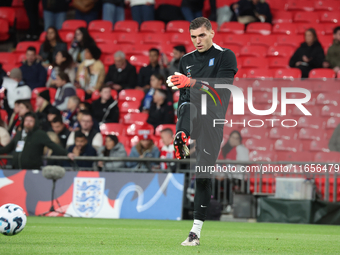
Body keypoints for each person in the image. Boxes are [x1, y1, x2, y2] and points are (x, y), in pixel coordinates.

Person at [166, 17, 237, 245]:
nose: (197, 41)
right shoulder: (185, 60)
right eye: (193, 37)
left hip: (213, 121)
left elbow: (220, 91)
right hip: (192, 116)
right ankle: (181, 137)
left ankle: (195, 233)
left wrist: (191, 82)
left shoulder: (226, 56)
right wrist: (184, 85)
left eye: (202, 35)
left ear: (212, 33)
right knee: (186, 105)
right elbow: (184, 96)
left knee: (203, 176)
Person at [0, 112, 74, 169]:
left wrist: (66, 153)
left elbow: (53, 145)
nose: (28, 123)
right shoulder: (19, 134)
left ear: (35, 123)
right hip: (16, 169)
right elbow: (9, 147)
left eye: (31, 121)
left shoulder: (39, 134)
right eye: (26, 120)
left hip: (31, 170)